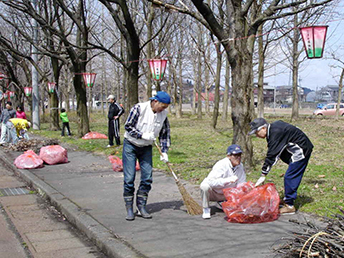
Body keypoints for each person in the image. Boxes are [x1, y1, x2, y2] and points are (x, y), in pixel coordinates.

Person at [248, 118, 313, 215]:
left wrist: (263, 174)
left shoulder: (276, 132)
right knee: (290, 170)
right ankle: (287, 198)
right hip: (294, 148)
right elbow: (275, 152)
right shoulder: (273, 130)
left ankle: (289, 205)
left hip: (302, 150)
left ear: (263, 128)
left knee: (290, 176)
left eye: (257, 132)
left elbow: (272, 155)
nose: (257, 136)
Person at [122, 91, 171, 221]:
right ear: (155, 102)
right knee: (129, 178)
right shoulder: (139, 108)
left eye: (165, 107)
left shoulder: (163, 115)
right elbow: (128, 126)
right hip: (131, 145)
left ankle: (141, 206)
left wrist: (164, 151)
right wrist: (141, 135)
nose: (163, 109)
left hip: (146, 148)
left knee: (147, 177)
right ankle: (129, 208)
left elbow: (165, 134)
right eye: (162, 106)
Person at [200, 144, 246, 219]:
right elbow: (210, 182)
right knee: (204, 186)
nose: (238, 158)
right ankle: (206, 209)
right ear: (229, 156)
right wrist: (227, 180)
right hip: (214, 192)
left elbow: (242, 181)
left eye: (239, 155)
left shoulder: (240, 166)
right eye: (235, 155)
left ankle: (224, 203)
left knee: (245, 189)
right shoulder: (221, 165)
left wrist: (245, 187)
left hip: (228, 193)